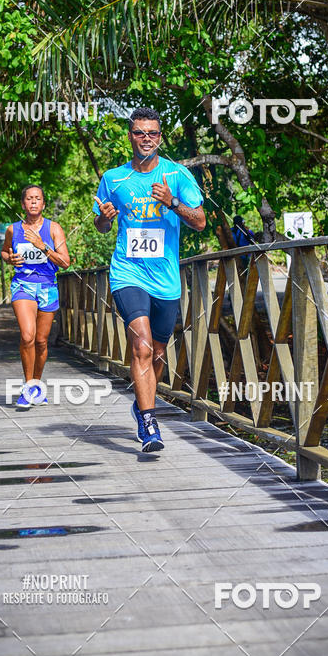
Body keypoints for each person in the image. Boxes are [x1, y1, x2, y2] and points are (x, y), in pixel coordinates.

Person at [93, 107, 206, 452]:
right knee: (140, 346)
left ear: (160, 137)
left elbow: (200, 221)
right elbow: (101, 223)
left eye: (152, 133)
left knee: (157, 353)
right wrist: (106, 220)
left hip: (166, 278)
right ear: (130, 136)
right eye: (140, 133)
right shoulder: (114, 179)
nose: (146, 139)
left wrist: (171, 202)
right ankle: (149, 422)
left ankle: (141, 404)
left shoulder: (178, 175)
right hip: (128, 272)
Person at [1, 185, 70, 410]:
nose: (33, 202)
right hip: (23, 286)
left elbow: (66, 262)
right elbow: (4, 251)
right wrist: (9, 259)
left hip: (48, 287)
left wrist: (43, 246)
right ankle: (28, 387)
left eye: (37, 199)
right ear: (23, 204)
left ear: (43, 204)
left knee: (41, 341)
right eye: (29, 199)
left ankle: (37, 385)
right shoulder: (13, 230)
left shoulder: (54, 229)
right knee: (27, 335)